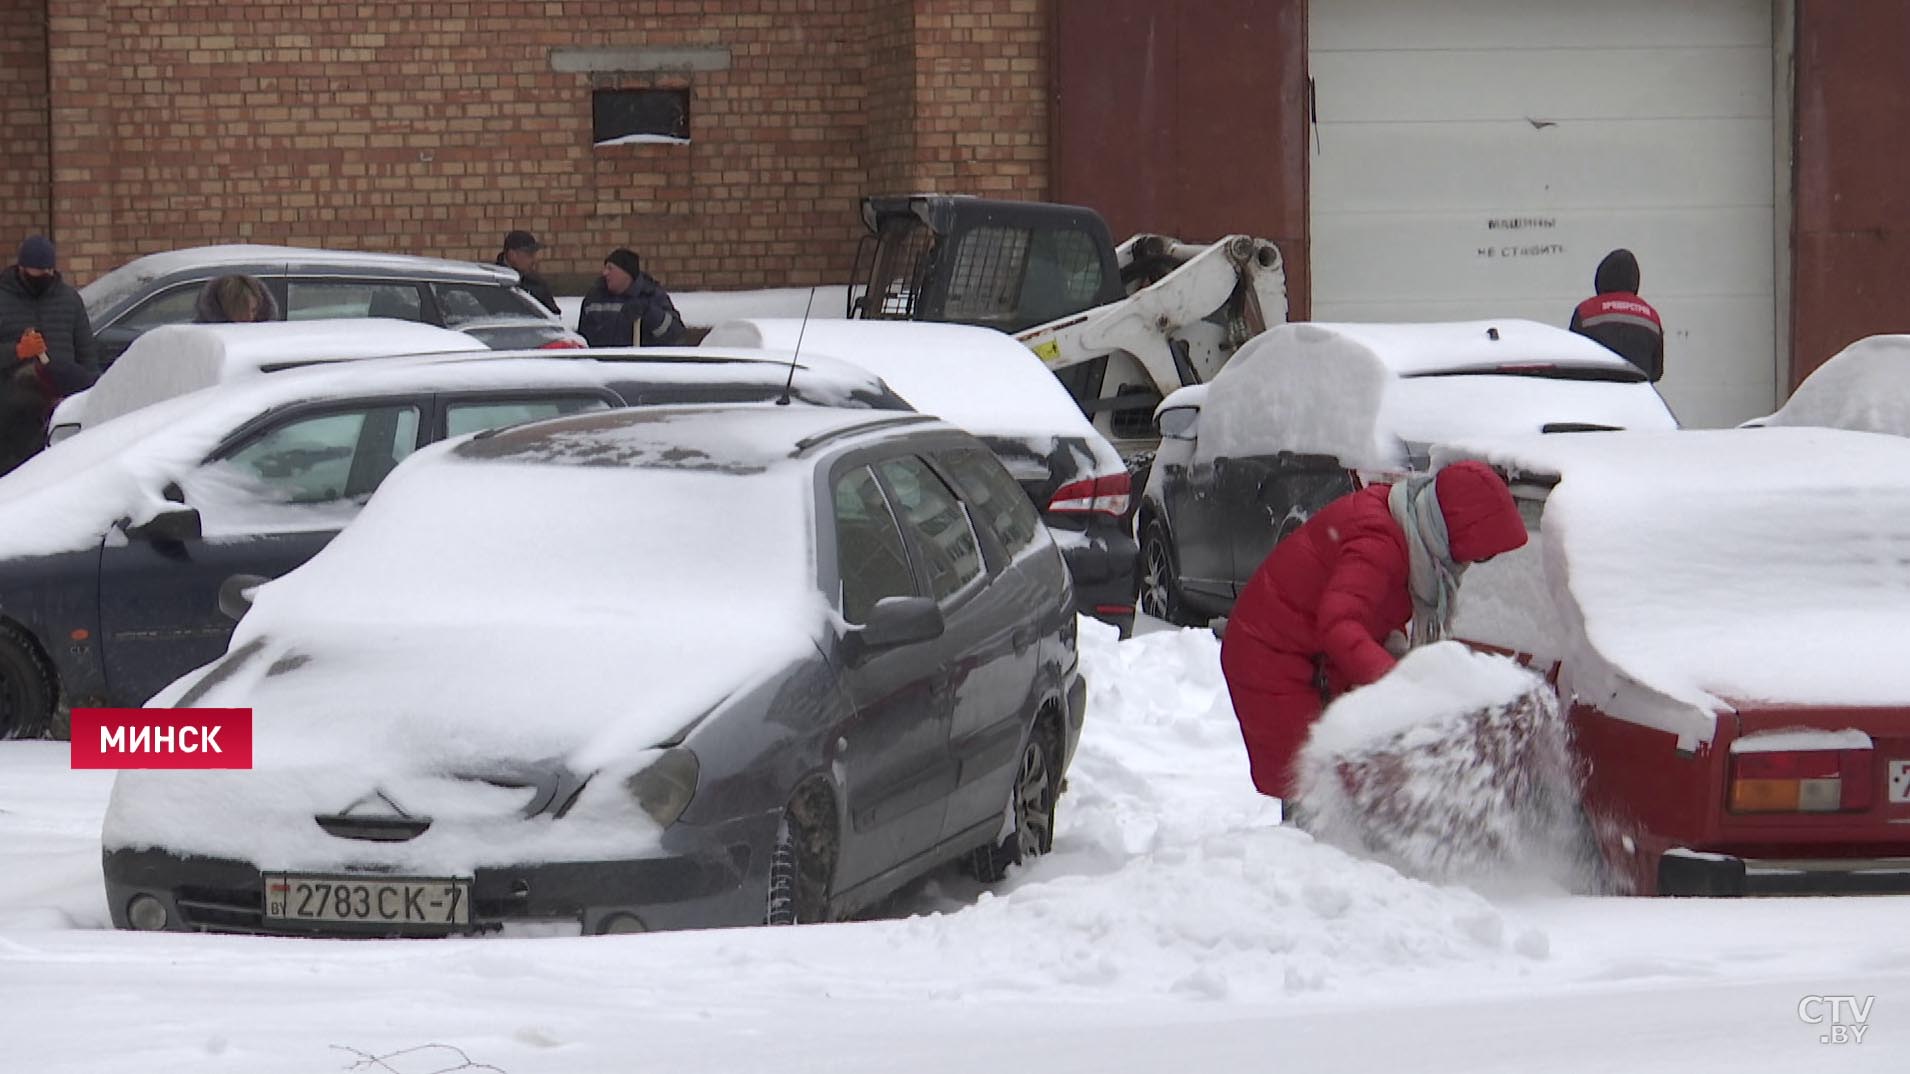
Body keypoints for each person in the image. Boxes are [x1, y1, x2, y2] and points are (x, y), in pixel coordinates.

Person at [1218, 461, 1528, 803]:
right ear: (1456, 533)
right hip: (1271, 656)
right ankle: (1306, 852)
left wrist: (1395, 650)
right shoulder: (1379, 541)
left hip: (1310, 655)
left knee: (1345, 778)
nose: (1471, 563)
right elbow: (1340, 623)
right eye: (1480, 555)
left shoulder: (1408, 526)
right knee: (1313, 785)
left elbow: (1371, 607)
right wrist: (1397, 683)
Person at [0, 235, 99, 476]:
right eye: (35, 274)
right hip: (11, 417)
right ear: (21, 269)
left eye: (47, 273)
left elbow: (86, 354)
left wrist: (87, 396)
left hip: (60, 415)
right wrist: (17, 351)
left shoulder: (69, 300)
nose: (41, 279)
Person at [1569, 248, 1664, 381]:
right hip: (1637, 398)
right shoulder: (1651, 317)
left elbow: (1573, 361)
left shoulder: (1586, 311)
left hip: (1595, 395)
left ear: (1601, 277)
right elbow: (1657, 372)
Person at [578, 247, 686, 348]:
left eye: (610, 268)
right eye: (605, 268)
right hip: (599, 366)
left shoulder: (651, 295)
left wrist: (649, 313)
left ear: (626, 273)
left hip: (638, 366)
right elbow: (582, 339)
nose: (605, 273)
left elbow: (675, 335)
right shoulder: (594, 298)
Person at [497, 230, 560, 316]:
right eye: (529, 255)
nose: (534, 260)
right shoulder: (492, 283)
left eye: (534, 255)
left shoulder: (537, 284)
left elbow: (553, 316)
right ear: (512, 255)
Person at [192, 274, 278, 323]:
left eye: (254, 310)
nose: (250, 317)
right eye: (242, 311)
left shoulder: (268, 337)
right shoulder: (204, 340)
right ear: (228, 309)